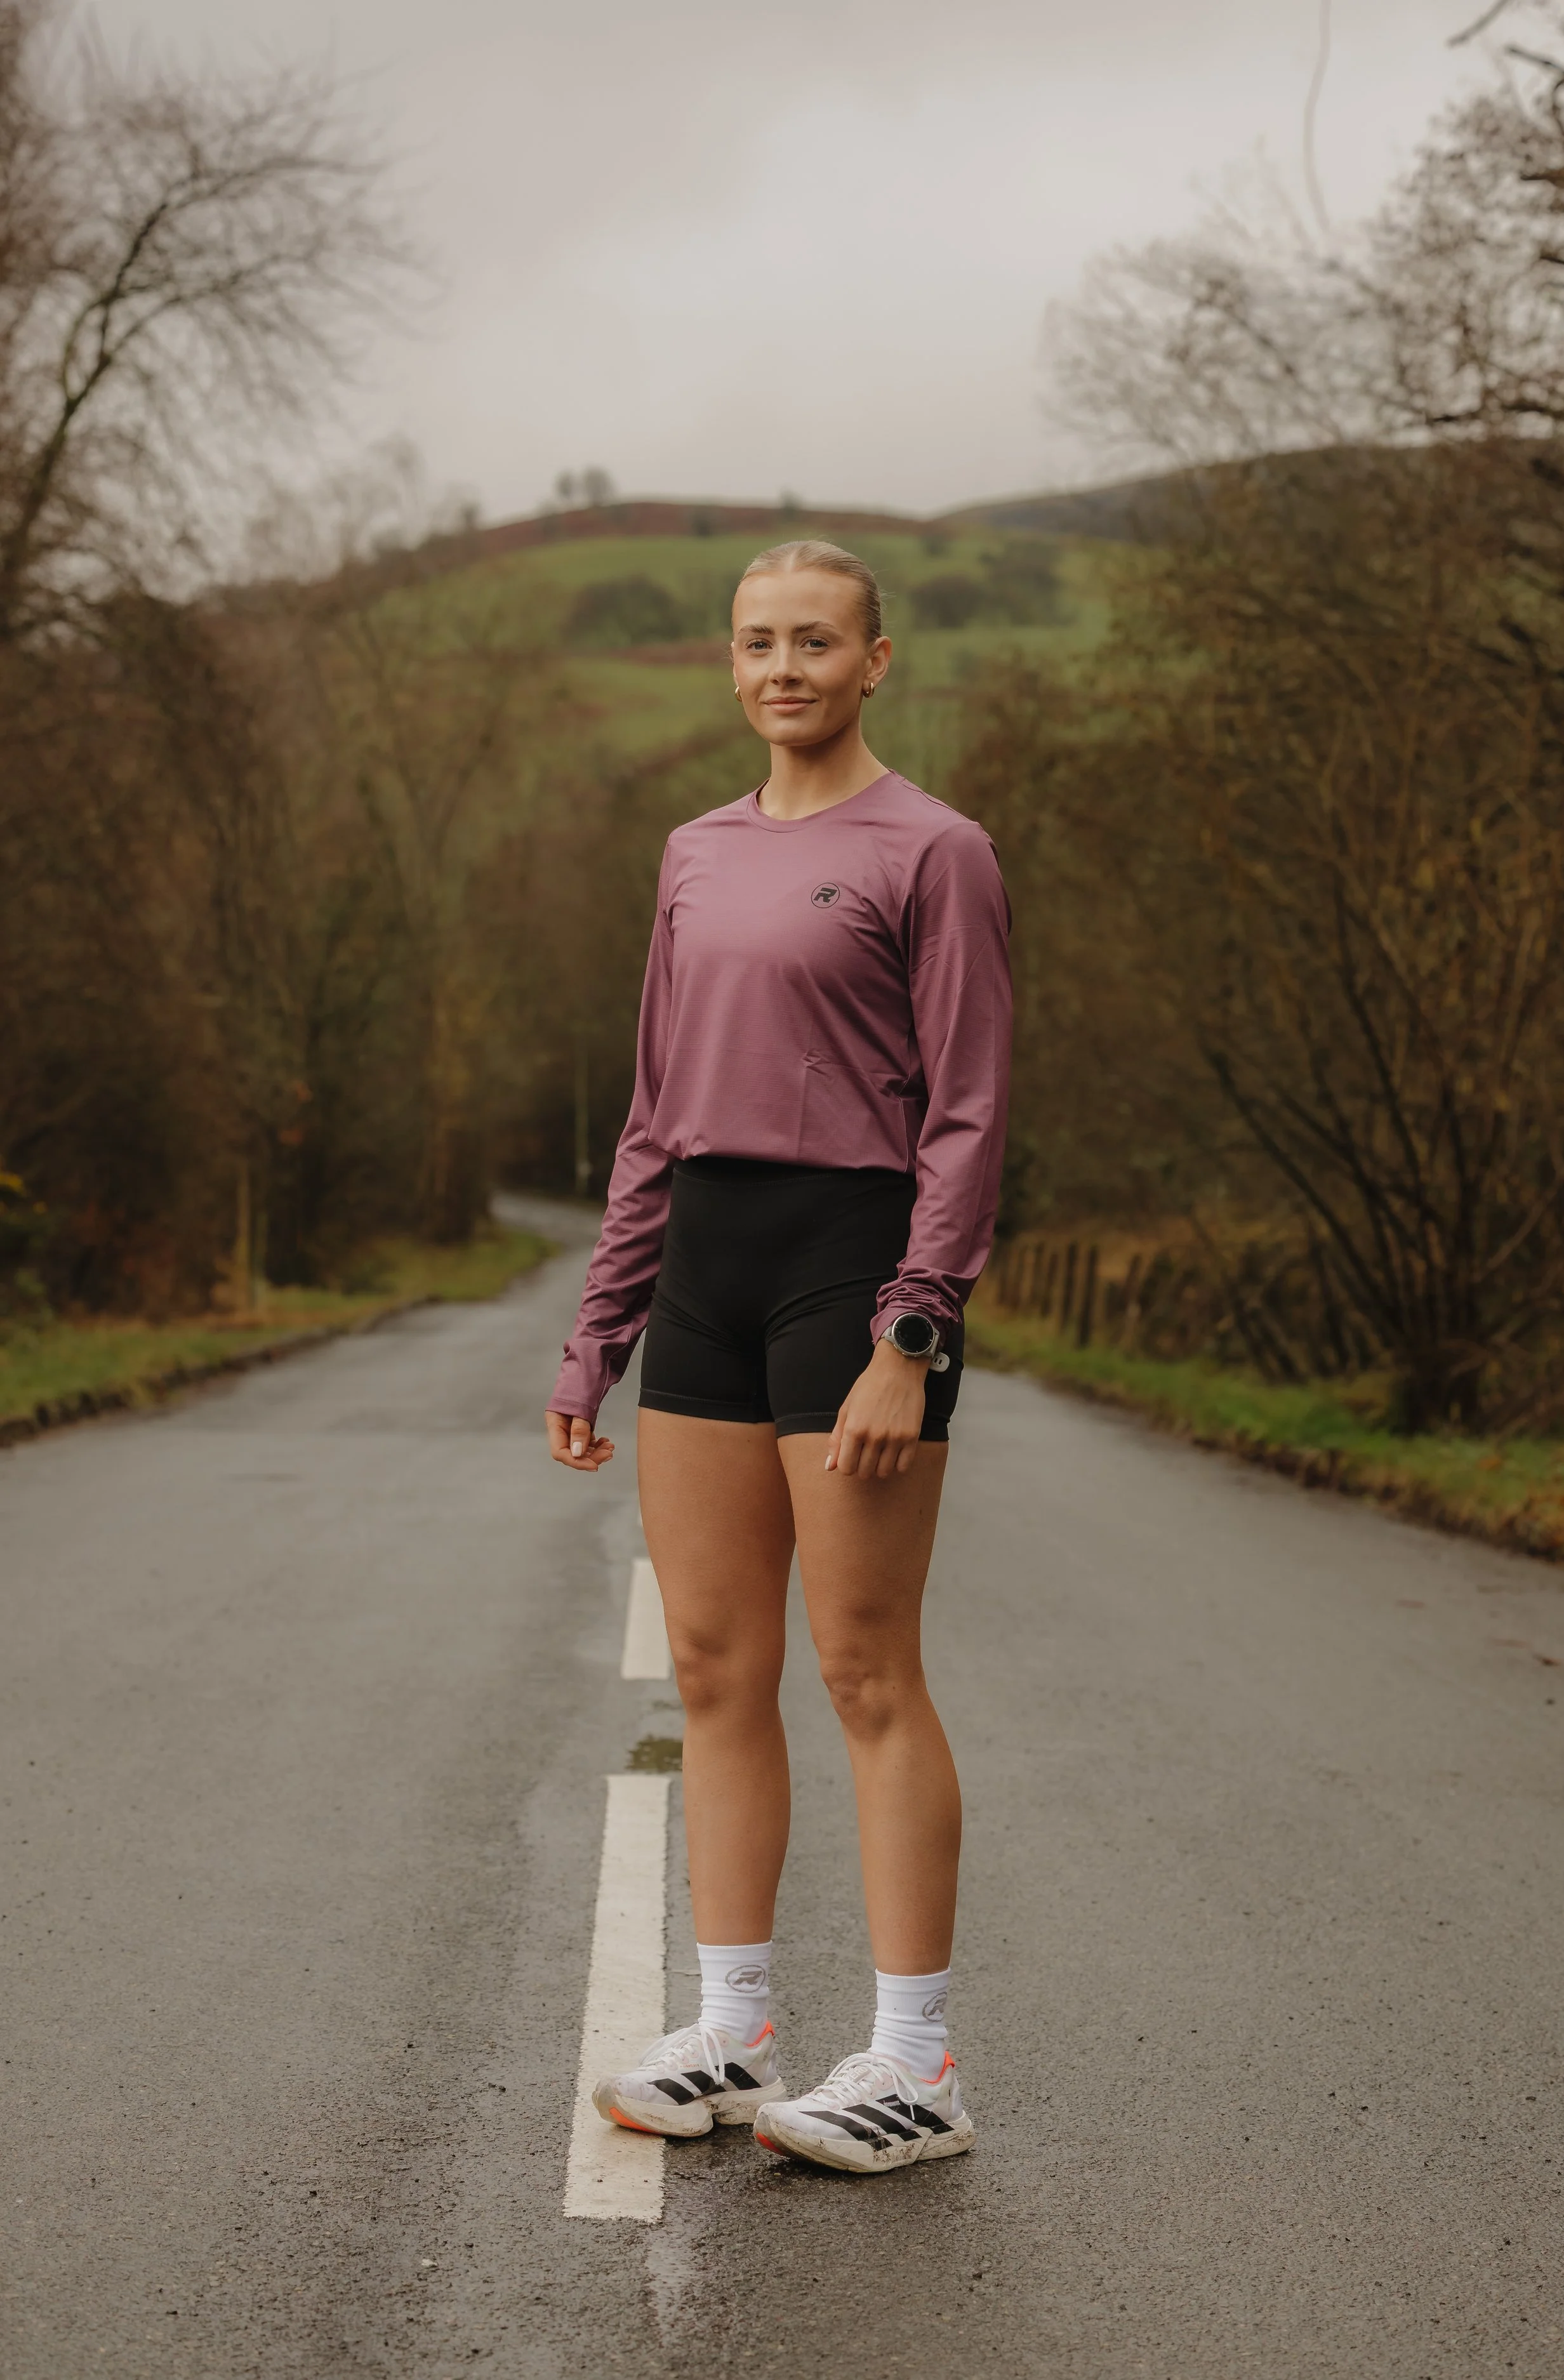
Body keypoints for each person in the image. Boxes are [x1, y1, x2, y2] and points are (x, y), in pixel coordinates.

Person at [545, 538, 1011, 2176]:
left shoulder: (936, 852)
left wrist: (912, 1331)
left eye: (815, 642)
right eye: (757, 642)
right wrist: (599, 1333)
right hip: (706, 1273)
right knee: (715, 1668)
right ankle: (734, 2031)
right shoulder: (695, 852)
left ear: (876, 660)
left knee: (867, 1671)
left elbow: (968, 1112)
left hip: (852, 1271)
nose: (783, 670)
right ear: (730, 661)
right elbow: (654, 1110)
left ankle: (917, 2063)